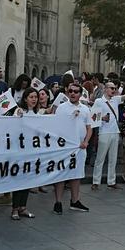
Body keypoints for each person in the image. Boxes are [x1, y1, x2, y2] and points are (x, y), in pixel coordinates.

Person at [91, 76, 125, 191]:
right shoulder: (99, 101)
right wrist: (102, 118)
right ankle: (96, 181)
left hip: (114, 131)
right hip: (103, 132)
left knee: (113, 159)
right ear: (105, 89)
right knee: (100, 158)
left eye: (115, 88)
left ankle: (111, 182)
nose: (114, 90)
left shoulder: (116, 99)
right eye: (111, 88)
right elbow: (92, 116)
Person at [53, 83, 92, 214]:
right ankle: (58, 202)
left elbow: (89, 128)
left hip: (79, 147)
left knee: (77, 175)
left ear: (80, 94)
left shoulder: (85, 109)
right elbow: (56, 125)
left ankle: (75, 201)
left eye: (76, 91)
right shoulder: (62, 108)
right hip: (64, 147)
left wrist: (86, 141)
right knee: (61, 174)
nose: (73, 93)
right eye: (70, 91)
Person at [11, 87, 40, 219]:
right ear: (25, 99)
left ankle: (23, 207)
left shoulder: (38, 114)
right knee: (18, 180)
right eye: (31, 97)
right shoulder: (19, 111)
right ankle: (15, 208)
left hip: (32, 152)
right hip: (19, 151)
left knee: (27, 180)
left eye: (35, 97)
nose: (34, 99)